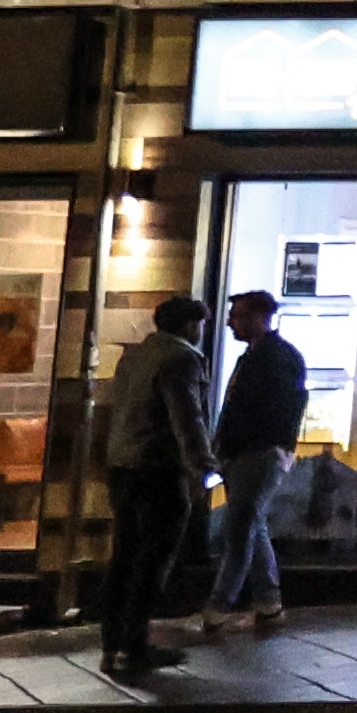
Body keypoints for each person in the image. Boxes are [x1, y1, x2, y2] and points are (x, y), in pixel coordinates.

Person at [90, 292, 213, 678]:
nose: (201, 333)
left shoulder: (134, 356)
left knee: (124, 556)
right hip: (158, 469)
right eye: (200, 326)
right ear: (190, 326)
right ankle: (137, 644)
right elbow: (187, 417)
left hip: (123, 467)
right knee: (154, 560)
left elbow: (111, 409)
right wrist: (203, 469)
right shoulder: (181, 358)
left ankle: (112, 642)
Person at [197, 286, 303, 639]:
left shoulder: (274, 358)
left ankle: (219, 605)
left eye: (237, 316)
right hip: (249, 453)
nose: (230, 323)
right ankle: (268, 602)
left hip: (257, 454)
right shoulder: (263, 355)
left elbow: (272, 413)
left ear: (261, 317)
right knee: (251, 524)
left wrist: (236, 447)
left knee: (239, 527)